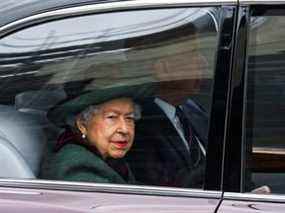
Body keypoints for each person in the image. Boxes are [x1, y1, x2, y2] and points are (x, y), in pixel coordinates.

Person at [127, 42, 209, 188]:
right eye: (191, 54)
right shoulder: (138, 126)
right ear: (163, 70)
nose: (203, 62)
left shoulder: (192, 107)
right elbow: (173, 190)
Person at [40, 85, 151, 184]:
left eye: (129, 118)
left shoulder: (106, 158)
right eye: (112, 117)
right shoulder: (77, 166)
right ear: (82, 125)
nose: (125, 129)